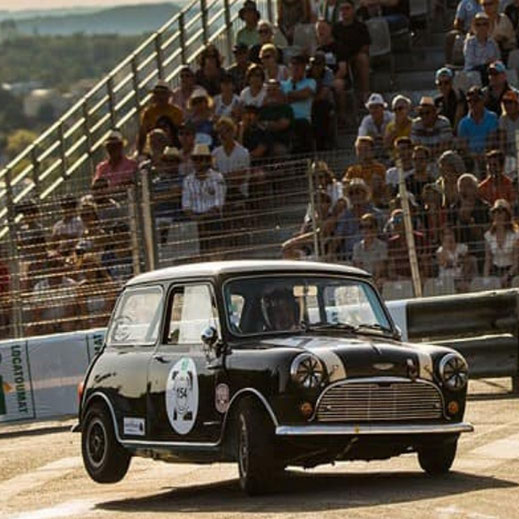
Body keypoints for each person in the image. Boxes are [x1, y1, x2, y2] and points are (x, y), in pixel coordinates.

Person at [182, 144, 226, 256]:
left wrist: (201, 218)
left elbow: (218, 203)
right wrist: (195, 218)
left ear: (207, 160)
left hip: (212, 217)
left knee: (214, 246)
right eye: (195, 159)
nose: (198, 162)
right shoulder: (188, 180)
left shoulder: (217, 178)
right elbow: (186, 204)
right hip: (194, 217)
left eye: (201, 159)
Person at [29, 251, 80, 336]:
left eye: (58, 264)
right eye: (51, 265)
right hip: (45, 322)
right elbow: (36, 314)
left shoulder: (70, 284)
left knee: (68, 326)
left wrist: (57, 325)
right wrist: (47, 324)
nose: (55, 268)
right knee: (30, 329)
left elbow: (71, 311)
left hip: (65, 321)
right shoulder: (39, 287)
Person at [448, 172, 490, 273]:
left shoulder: (484, 207)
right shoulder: (453, 208)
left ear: (476, 188)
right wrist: (460, 220)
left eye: (468, 186)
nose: (465, 190)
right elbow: (451, 231)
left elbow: (485, 233)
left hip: (478, 245)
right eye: (462, 187)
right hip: (459, 244)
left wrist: (470, 222)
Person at [335, 178, 383, 261]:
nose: (354, 196)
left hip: (372, 255)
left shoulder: (376, 214)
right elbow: (338, 238)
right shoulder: (346, 216)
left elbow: (382, 236)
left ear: (364, 194)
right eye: (351, 193)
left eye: (357, 192)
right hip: (349, 256)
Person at [332, 0, 371, 101]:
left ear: (353, 10)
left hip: (355, 57)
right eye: (342, 9)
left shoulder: (361, 27)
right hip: (339, 59)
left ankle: (365, 93)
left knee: (363, 58)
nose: (344, 12)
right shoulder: (335, 28)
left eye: (347, 8)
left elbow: (366, 47)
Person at [281, 54, 317, 153]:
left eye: (300, 65)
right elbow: (280, 100)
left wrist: (288, 96)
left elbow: (305, 94)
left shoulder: (311, 82)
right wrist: (296, 96)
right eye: (294, 64)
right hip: (285, 120)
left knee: (301, 125)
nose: (296, 67)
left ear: (304, 68)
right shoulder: (282, 84)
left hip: (303, 120)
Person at [137, 81, 183, 154]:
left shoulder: (176, 112)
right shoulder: (148, 112)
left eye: (162, 93)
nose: (160, 96)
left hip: (173, 147)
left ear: (168, 95)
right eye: (157, 93)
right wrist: (140, 152)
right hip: (153, 147)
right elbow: (143, 133)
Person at [386, 208, 430, 280]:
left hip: (419, 277)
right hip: (400, 279)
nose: (394, 226)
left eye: (397, 222)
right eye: (393, 223)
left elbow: (426, 263)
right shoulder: (392, 243)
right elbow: (391, 267)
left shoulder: (420, 239)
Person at [483, 198, 519, 285]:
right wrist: (485, 279)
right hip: (495, 272)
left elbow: (516, 261)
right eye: (495, 212)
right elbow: (488, 260)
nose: (498, 215)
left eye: (501, 212)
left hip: (512, 272)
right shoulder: (489, 236)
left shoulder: (515, 235)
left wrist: (507, 276)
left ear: (507, 215)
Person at [458, 86, 499, 158]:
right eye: (469, 101)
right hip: (470, 159)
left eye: (476, 100)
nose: (472, 104)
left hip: (490, 157)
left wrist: (484, 156)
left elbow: (491, 141)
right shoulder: (463, 123)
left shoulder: (492, 117)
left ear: (483, 100)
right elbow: (464, 147)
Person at [259, 79, 294, 157]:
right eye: (269, 90)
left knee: (279, 151)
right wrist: (271, 124)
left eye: (274, 90)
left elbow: (282, 125)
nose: (271, 93)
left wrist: (266, 124)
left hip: (280, 141)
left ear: (281, 92)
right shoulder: (263, 109)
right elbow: (258, 125)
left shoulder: (286, 109)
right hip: (262, 141)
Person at [463, 12, 501, 84]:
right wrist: (486, 61)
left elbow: (497, 59)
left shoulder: (493, 43)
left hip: (489, 69)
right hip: (473, 71)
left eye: (484, 24)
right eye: (478, 25)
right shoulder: (469, 42)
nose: (481, 27)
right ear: (474, 26)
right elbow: (470, 60)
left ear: (488, 26)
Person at [352, 212, 387, 286]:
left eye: (369, 226)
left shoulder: (381, 246)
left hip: (376, 281)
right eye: (362, 227)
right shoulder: (357, 247)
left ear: (375, 228)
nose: (366, 230)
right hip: (363, 281)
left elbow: (380, 267)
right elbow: (358, 268)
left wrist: (372, 282)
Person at [358, 93, 394, 161]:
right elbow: (361, 138)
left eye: (376, 107)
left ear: (383, 108)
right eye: (371, 107)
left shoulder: (391, 117)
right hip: (374, 150)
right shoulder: (366, 121)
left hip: (391, 150)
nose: (374, 110)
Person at [434, 67, 467, 132]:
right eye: (440, 84)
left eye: (446, 83)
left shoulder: (459, 97)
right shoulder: (437, 101)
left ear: (451, 83)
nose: (443, 86)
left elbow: (459, 117)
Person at [499, 89, 519, 159]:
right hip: (510, 154)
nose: (507, 105)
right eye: (505, 102)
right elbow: (502, 142)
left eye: (510, 102)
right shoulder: (503, 119)